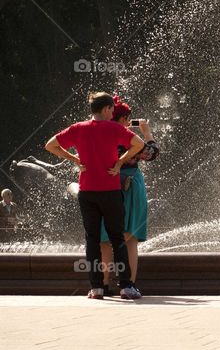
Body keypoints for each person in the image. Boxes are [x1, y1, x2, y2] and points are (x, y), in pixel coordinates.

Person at [45, 92, 145, 300]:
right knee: (117, 237)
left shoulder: (78, 128)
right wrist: (118, 163)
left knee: (92, 239)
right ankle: (126, 286)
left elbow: (50, 145)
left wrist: (74, 159)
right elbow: (139, 144)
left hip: (87, 191)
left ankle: (97, 287)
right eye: (111, 110)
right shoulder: (114, 128)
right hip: (109, 191)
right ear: (107, 109)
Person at [99, 96, 160, 296]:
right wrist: (147, 132)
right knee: (130, 238)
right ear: (123, 118)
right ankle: (129, 285)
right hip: (131, 187)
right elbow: (151, 153)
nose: (128, 122)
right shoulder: (129, 138)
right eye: (127, 118)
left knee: (105, 239)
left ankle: (104, 283)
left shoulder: (99, 134)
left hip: (106, 185)